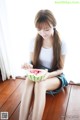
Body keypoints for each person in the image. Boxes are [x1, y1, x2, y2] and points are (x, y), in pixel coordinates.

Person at [19, 9, 68, 120]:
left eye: (47, 29)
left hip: (55, 75)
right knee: (28, 80)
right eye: (39, 29)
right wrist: (28, 65)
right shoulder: (33, 41)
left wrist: (47, 75)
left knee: (40, 84)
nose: (43, 33)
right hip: (39, 72)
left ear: (53, 26)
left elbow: (61, 69)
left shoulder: (61, 43)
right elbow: (32, 64)